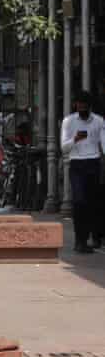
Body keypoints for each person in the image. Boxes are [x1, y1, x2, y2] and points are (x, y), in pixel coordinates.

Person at [60, 92, 105, 254]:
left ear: (90, 107)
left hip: (93, 163)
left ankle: (94, 237)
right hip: (77, 164)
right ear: (76, 106)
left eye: (85, 106)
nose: (82, 108)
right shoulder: (69, 121)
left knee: (93, 202)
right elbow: (63, 147)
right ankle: (80, 239)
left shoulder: (99, 121)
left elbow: (104, 144)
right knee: (79, 201)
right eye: (80, 105)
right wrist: (75, 139)